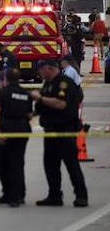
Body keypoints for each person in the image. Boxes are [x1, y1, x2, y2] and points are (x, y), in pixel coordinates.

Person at [30, 59, 88, 207]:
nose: (39, 72)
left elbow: (60, 104)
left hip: (64, 130)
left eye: (40, 69)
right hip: (50, 131)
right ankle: (54, 195)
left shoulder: (64, 83)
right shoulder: (48, 84)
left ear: (50, 68)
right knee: (50, 165)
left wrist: (41, 98)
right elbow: (41, 106)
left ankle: (81, 196)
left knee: (71, 164)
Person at [0, 68, 32, 207]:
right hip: (21, 132)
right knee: (16, 165)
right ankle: (15, 197)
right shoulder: (25, 94)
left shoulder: (2, 93)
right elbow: (30, 115)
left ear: (5, 79)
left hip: (5, 130)